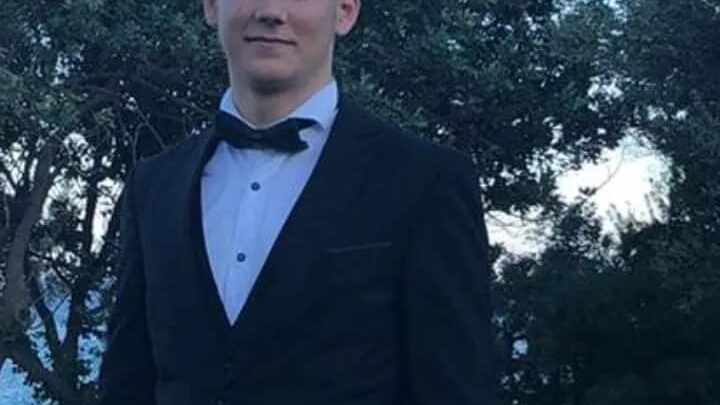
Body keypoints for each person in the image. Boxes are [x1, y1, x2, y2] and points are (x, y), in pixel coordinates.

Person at [98, 0, 495, 404]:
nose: (271, 11)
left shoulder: (426, 181)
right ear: (212, 6)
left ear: (344, 11)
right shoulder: (154, 185)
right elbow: (126, 386)